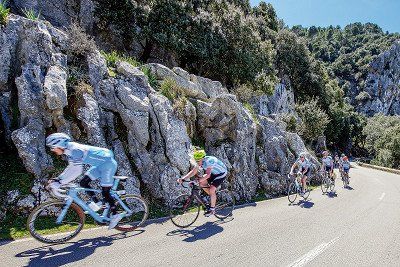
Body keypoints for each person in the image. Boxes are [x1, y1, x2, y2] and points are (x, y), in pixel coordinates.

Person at [46, 133, 123, 229]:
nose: (52, 150)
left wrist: (60, 182)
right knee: (83, 183)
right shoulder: (69, 150)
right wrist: (58, 179)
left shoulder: (75, 150)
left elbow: (77, 171)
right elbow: (71, 168)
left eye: (52, 147)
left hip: (108, 165)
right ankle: (98, 203)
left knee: (105, 192)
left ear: (60, 144)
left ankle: (116, 215)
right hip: (99, 165)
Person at [177, 149, 227, 217]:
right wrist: (183, 178)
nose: (197, 162)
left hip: (221, 173)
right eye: (196, 160)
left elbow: (208, 175)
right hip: (213, 173)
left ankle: (212, 210)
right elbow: (193, 172)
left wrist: (198, 180)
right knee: (202, 183)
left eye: (199, 160)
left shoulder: (209, 161)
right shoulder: (199, 161)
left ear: (203, 158)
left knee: (211, 189)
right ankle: (212, 197)